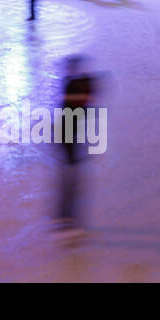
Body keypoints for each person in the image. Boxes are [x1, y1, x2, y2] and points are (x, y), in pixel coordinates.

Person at [54, 56, 97, 234]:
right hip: (66, 139)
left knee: (71, 180)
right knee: (70, 181)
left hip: (70, 139)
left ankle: (66, 217)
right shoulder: (72, 95)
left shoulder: (74, 91)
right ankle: (66, 218)